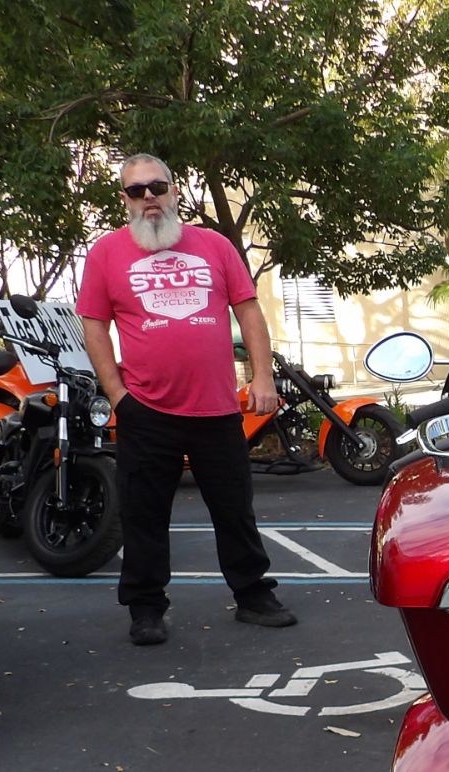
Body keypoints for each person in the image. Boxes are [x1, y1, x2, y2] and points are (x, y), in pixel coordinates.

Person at [77, 153, 296, 645]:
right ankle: (146, 608)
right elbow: (93, 324)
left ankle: (254, 596)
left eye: (157, 187)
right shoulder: (107, 253)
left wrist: (263, 377)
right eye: (137, 191)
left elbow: (248, 311)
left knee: (234, 508)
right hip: (145, 409)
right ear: (125, 200)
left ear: (175, 192)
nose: (148, 197)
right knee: (143, 514)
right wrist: (117, 395)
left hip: (217, 407)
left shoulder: (214, 246)